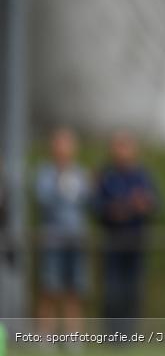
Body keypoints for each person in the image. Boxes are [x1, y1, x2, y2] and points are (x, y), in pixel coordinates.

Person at [95, 132, 160, 334]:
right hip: (113, 244)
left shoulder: (143, 176)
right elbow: (99, 207)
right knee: (113, 292)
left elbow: (155, 205)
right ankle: (111, 336)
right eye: (118, 146)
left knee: (133, 292)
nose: (122, 151)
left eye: (126, 146)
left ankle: (130, 335)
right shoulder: (106, 176)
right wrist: (123, 208)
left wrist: (141, 205)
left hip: (136, 243)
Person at [34, 127, 92, 338]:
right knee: (50, 288)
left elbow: (87, 202)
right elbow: (44, 200)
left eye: (68, 144)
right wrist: (59, 180)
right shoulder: (45, 173)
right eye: (60, 144)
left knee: (75, 289)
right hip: (53, 239)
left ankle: (73, 337)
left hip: (76, 239)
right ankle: (45, 336)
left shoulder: (80, 173)